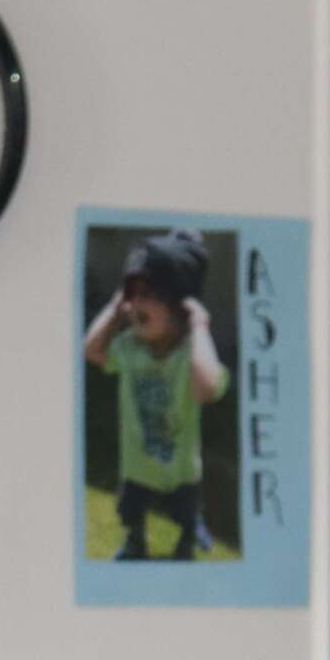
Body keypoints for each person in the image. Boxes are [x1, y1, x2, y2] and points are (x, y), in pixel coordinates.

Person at [83, 232, 230, 561]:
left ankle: (188, 537)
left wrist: (200, 326)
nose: (135, 304)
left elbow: (207, 387)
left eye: (148, 294)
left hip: (180, 470)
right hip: (137, 467)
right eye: (131, 293)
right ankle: (135, 541)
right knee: (130, 509)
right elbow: (91, 351)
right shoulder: (130, 350)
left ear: (180, 305)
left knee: (184, 511)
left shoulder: (190, 356)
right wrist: (113, 307)